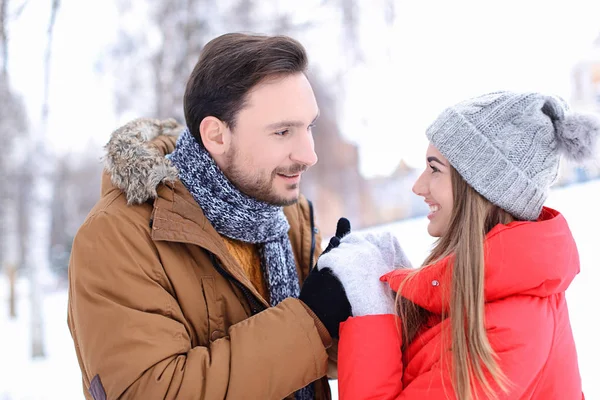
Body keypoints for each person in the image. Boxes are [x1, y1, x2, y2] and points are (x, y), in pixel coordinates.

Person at [67, 33, 340, 400]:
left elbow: (321, 358)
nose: (309, 154)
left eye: (309, 127)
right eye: (282, 131)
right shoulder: (117, 238)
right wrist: (311, 320)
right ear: (216, 135)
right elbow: (154, 392)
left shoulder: (287, 217)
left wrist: (357, 299)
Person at [302, 91, 599, 399]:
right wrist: (397, 296)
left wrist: (371, 310)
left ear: (479, 188)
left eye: (435, 169)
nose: (418, 186)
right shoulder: (483, 292)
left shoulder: (511, 328)